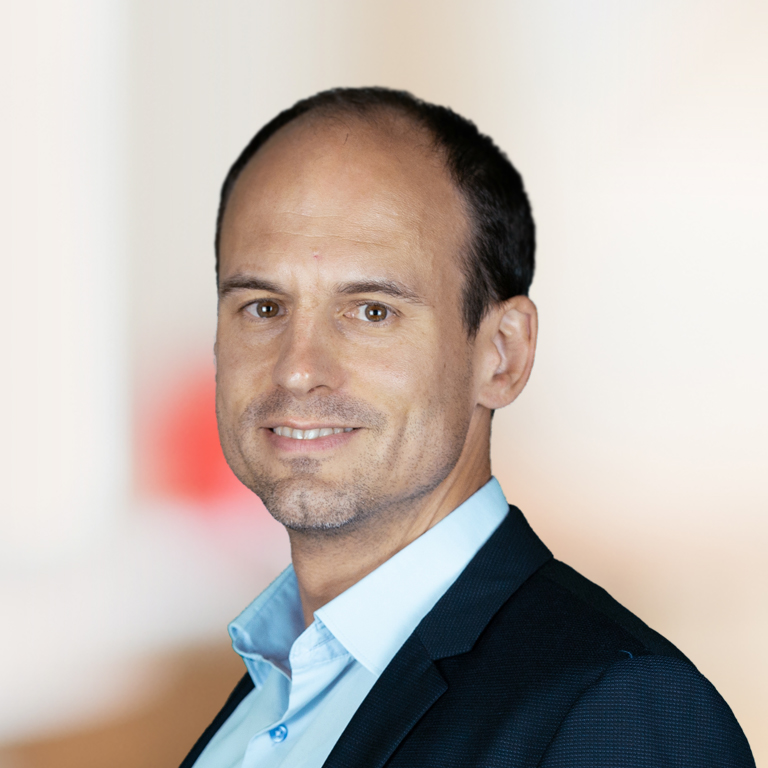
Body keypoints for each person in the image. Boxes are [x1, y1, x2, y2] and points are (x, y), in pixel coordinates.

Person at [180, 87, 754, 768]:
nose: (298, 370)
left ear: (502, 354)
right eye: (263, 307)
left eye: (372, 311)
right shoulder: (270, 689)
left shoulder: (617, 709)